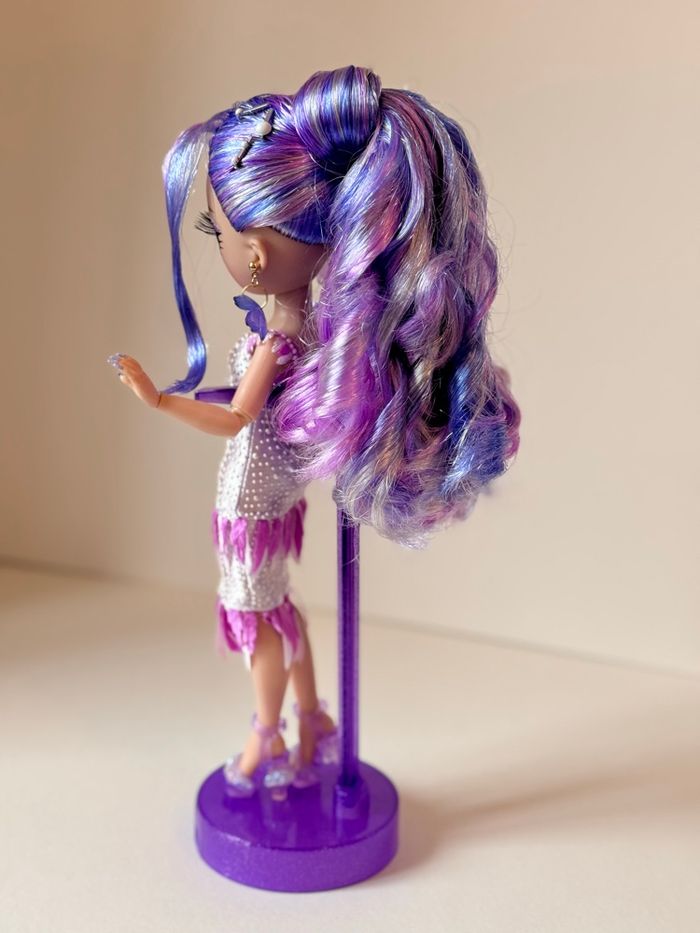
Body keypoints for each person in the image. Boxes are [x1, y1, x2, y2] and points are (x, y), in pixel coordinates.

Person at [108, 64, 521, 799]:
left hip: (252, 501)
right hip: (268, 499)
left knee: (255, 620)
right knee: (278, 609)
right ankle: (312, 717)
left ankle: (265, 732)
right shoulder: (305, 329)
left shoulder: (277, 344)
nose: (219, 244)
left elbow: (235, 418)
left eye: (216, 231)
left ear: (256, 254)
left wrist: (159, 400)